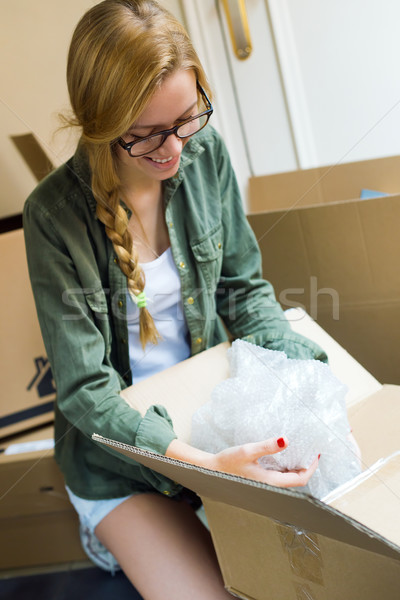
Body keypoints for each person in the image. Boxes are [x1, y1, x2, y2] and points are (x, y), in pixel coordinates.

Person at [23, 1, 327, 597]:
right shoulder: (53, 216)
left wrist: (303, 365)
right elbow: (87, 392)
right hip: (122, 462)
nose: (174, 150)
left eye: (186, 120)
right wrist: (205, 468)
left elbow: (244, 289)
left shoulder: (205, 153)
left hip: (212, 420)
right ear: (100, 124)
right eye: (146, 135)